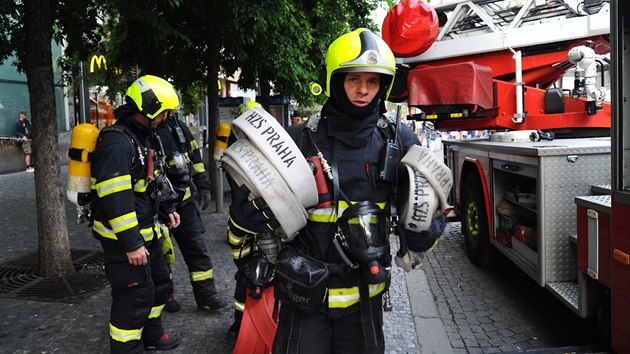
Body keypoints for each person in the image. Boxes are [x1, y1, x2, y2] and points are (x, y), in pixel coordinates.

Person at [226, 28, 446, 353]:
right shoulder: (296, 140)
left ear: (383, 86)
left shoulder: (398, 141)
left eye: (372, 82)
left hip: (364, 299)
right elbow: (246, 218)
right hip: (304, 294)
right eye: (353, 79)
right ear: (334, 80)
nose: (363, 90)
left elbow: (429, 221)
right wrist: (247, 217)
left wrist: (423, 228)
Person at [90, 75, 181, 352]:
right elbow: (115, 199)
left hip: (147, 233)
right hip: (125, 242)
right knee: (133, 297)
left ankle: (152, 334)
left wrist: (167, 210)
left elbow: (150, 182)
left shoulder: (142, 137)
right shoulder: (116, 143)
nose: (166, 118)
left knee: (159, 285)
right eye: (164, 111)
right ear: (150, 108)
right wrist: (131, 243)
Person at [155, 113, 227, 313]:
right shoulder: (145, 130)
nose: (167, 115)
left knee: (197, 248)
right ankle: (165, 296)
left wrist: (203, 184)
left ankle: (206, 295)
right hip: (158, 207)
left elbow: (193, 155)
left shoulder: (177, 126)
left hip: (184, 203)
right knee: (162, 253)